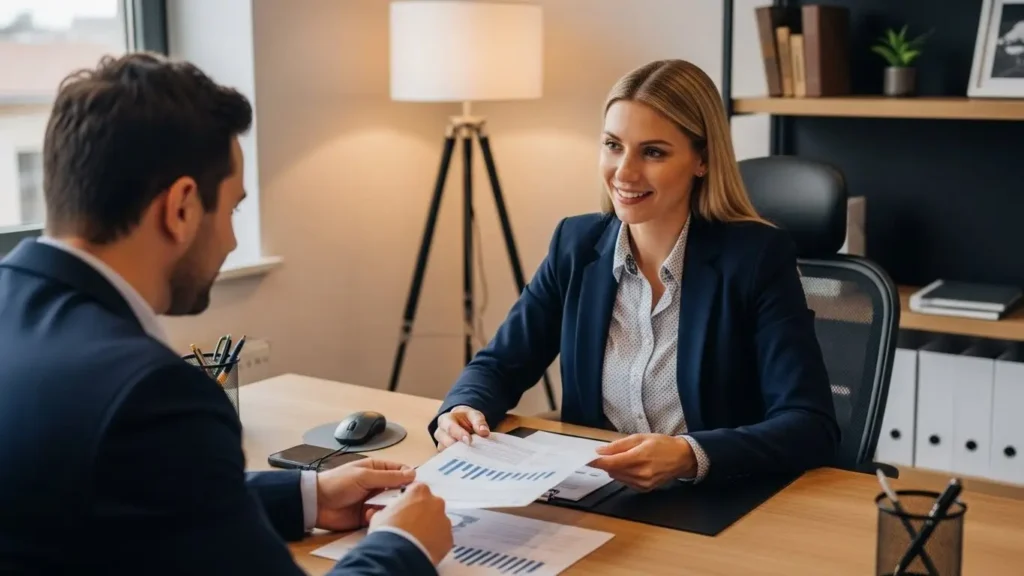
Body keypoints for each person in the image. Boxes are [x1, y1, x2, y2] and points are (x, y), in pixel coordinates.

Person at [0, 52, 451, 575]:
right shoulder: (153, 394)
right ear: (182, 207)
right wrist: (404, 544)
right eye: (233, 209)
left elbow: (111, 498)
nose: (234, 239)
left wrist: (307, 495)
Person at [429, 59, 840, 490]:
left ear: (702, 160)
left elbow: (810, 425)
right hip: (597, 494)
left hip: (713, 502)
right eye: (613, 145)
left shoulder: (756, 259)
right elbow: (500, 365)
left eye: (653, 152)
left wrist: (688, 455)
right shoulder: (576, 244)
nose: (624, 172)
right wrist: (461, 408)